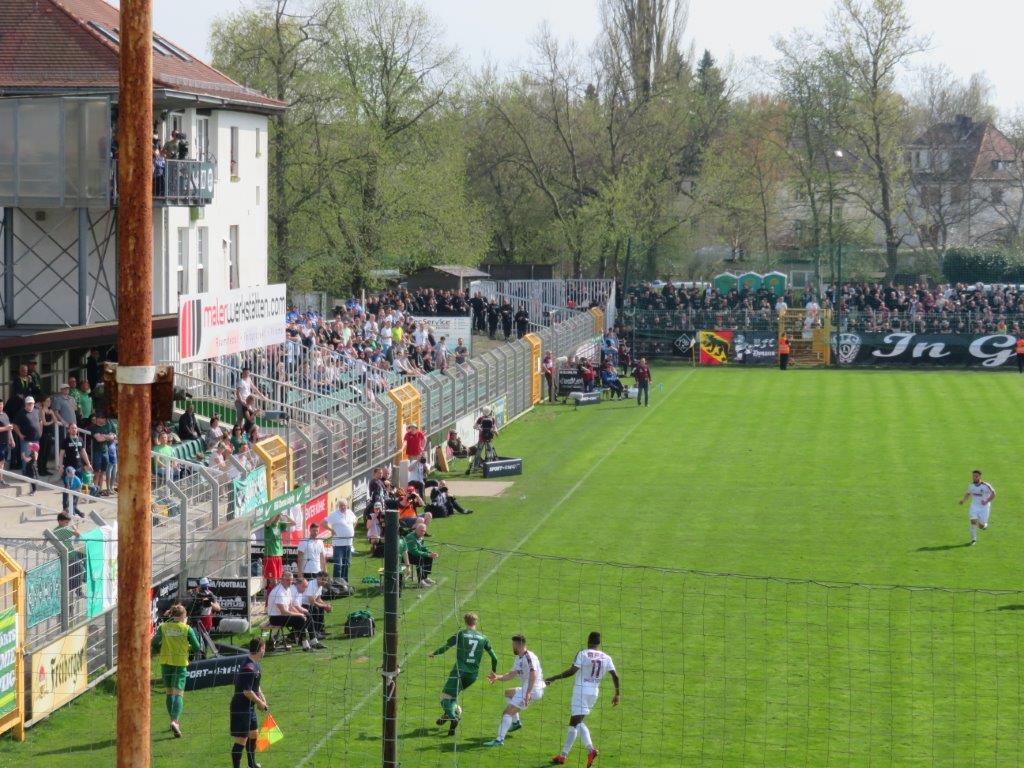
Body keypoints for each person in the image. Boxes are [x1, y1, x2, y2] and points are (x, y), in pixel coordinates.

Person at [545, 631, 621, 766]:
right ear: (599, 642)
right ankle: (562, 756)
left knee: (577, 722)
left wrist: (553, 678)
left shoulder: (583, 653)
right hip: (594, 693)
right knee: (574, 722)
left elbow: (572, 671)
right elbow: (615, 676)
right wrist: (617, 694)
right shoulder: (606, 657)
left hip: (581, 690)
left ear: (588, 641)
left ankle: (590, 749)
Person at [429, 612, 499, 736]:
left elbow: (446, 646)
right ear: (476, 622)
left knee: (444, 698)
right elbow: (495, 658)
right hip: (472, 676)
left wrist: (434, 653)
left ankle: (453, 717)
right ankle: (451, 715)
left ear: (465, 621)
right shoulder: (483, 638)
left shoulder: (461, 634)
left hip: (459, 672)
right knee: (453, 695)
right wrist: (493, 672)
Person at [484, 634, 546, 747]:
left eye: (513, 645)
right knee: (508, 693)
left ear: (519, 645)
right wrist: (497, 677)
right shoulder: (519, 657)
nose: (512, 647)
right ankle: (516, 723)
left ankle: (499, 740)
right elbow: (512, 674)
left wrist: (527, 693)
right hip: (527, 688)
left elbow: (534, 674)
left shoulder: (529, 657)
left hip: (532, 690)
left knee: (506, 713)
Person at [151, 603, 203, 738]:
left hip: (165, 662)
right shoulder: (186, 629)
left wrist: (159, 650)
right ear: (183, 616)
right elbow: (197, 647)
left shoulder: (163, 627)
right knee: (178, 693)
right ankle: (175, 721)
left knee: (169, 693)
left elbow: (154, 642)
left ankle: (172, 720)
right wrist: (188, 647)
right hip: (180, 663)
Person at [229, 637, 268, 768]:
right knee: (242, 739)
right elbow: (247, 691)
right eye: (264, 648)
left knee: (254, 734)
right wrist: (259, 703)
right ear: (261, 649)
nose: (265, 651)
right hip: (241, 708)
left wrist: (262, 698)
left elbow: (255, 686)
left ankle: (251, 764)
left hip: (249, 708)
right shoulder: (248, 667)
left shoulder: (256, 664)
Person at [267, 570, 314, 651]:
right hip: (275, 618)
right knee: (300, 619)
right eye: (287, 580)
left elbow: (291, 606)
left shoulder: (287, 589)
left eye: (291, 580)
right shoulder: (279, 592)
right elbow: (284, 611)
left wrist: (300, 613)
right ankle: (305, 644)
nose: (289, 582)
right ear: (282, 580)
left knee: (307, 616)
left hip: (282, 616)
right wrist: (299, 615)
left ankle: (309, 640)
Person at [12, 395, 41, 494]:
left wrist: (40, 431)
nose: (30, 405)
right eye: (29, 404)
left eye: (32, 403)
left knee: (34, 460)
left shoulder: (36, 411)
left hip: (36, 440)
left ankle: (34, 477)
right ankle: (26, 475)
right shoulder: (21, 413)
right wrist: (20, 434)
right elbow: (14, 425)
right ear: (25, 404)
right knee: (26, 459)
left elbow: (40, 421)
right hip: (26, 440)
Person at [959, 469, 996, 546]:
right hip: (974, 506)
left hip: (984, 507)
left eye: (976, 476)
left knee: (981, 526)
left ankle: (983, 525)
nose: (974, 478)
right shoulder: (971, 486)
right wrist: (963, 500)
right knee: (973, 521)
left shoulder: (986, 485)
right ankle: (973, 539)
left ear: (979, 476)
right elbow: (968, 494)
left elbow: (994, 494)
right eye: (973, 476)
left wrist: (987, 501)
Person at [325, 499, 357, 584]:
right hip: (338, 544)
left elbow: (355, 520)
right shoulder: (334, 515)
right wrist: (331, 530)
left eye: (344, 505)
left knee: (346, 564)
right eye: (341, 505)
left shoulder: (350, 513)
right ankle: (337, 583)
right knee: (338, 564)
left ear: (347, 506)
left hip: (348, 544)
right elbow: (323, 523)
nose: (343, 507)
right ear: (338, 506)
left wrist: (352, 529)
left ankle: (345, 582)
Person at [300, 572, 332, 640]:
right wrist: (324, 606)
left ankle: (320, 630)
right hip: (302, 605)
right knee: (316, 609)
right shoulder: (311, 585)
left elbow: (318, 599)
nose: (324, 581)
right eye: (323, 579)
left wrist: (326, 605)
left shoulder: (320, 585)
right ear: (318, 577)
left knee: (320, 608)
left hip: (309, 604)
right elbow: (312, 602)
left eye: (326, 580)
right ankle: (315, 633)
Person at [405, 522, 437, 587]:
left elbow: (423, 547)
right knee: (420, 558)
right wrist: (427, 554)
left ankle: (425, 577)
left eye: (424, 531)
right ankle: (421, 581)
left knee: (429, 557)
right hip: (406, 556)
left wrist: (430, 553)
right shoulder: (411, 537)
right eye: (421, 531)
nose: (423, 532)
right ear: (416, 529)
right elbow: (414, 551)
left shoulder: (421, 536)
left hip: (414, 553)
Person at [0, 400, 13, 486]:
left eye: (1, 404)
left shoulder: (5, 415)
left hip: (5, 442)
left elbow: (9, 429)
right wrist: (6, 428)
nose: (0, 406)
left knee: (2, 461)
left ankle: (1, 478)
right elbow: (6, 428)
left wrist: (12, 439)